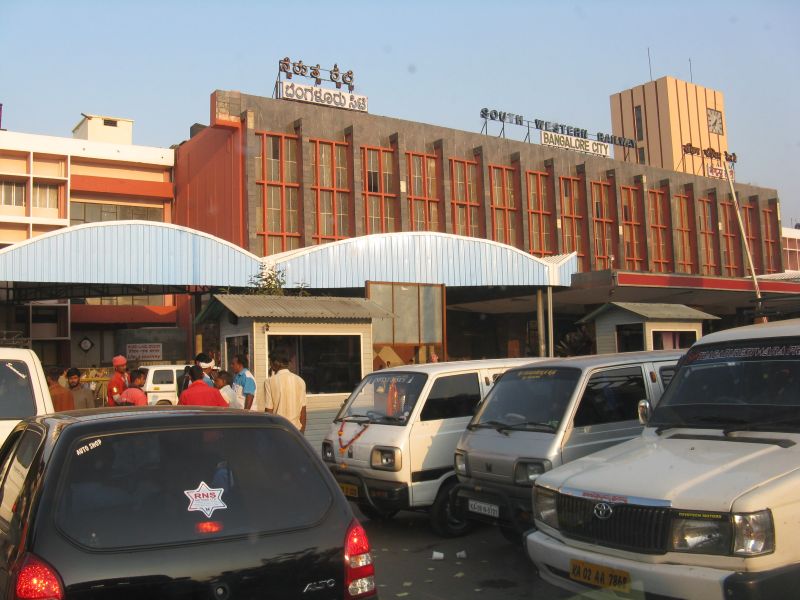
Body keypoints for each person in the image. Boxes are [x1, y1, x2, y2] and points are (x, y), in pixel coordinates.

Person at [264, 350, 307, 432]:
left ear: (274, 363)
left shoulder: (269, 381)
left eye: (270, 362)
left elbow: (269, 411)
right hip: (296, 431)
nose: (270, 365)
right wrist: (301, 433)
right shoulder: (300, 381)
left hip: (278, 430)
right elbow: (303, 411)